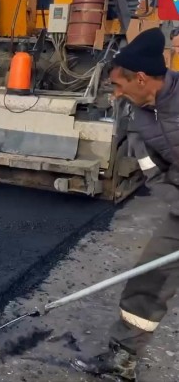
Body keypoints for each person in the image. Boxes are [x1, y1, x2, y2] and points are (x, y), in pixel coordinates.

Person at [72, 27, 179, 381]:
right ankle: (123, 359)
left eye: (119, 85)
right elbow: (155, 173)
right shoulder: (140, 120)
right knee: (149, 278)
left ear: (143, 78)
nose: (116, 94)